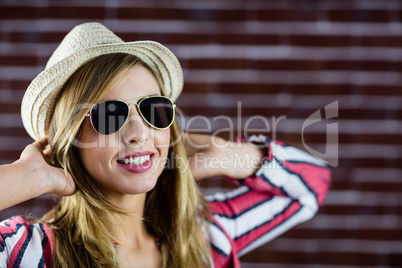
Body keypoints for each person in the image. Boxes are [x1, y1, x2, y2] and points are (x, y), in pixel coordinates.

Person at [0, 22, 331, 268]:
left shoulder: (206, 237)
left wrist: (224, 155)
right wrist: (30, 176)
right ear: (69, 140)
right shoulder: (30, 252)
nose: (138, 133)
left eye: (152, 110)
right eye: (108, 115)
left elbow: (310, 187)